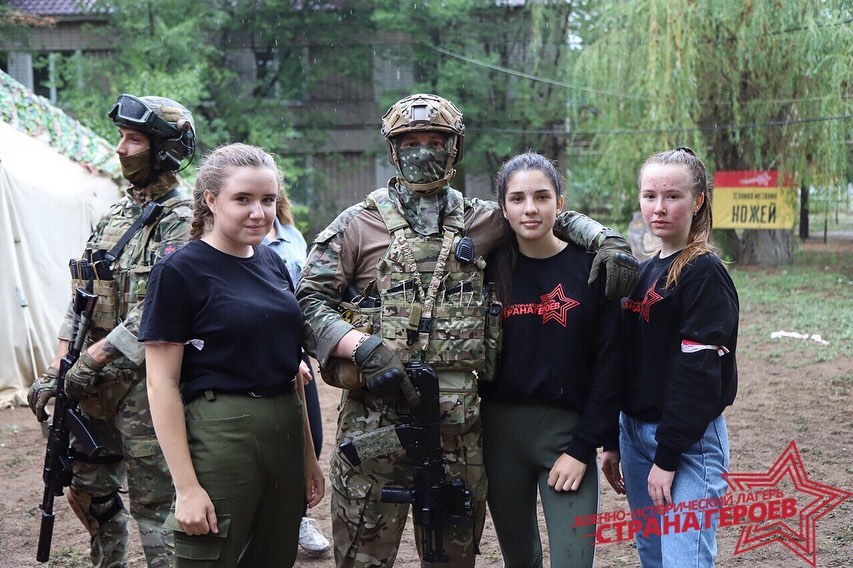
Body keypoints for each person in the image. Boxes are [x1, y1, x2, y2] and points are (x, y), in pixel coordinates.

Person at [296, 93, 638, 568]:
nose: (423, 151)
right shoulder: (358, 224)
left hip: (456, 432)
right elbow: (308, 300)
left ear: (454, 148)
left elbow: (542, 214)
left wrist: (606, 240)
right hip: (376, 423)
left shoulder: (484, 218)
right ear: (393, 150)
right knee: (363, 558)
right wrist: (361, 345)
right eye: (410, 142)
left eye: (436, 141)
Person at [27, 93, 196, 567]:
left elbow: (157, 310)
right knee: (88, 491)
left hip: (146, 389)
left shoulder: (184, 222)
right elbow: (81, 297)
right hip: (90, 388)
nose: (120, 149)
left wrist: (91, 360)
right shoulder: (115, 216)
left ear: (165, 149)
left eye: (134, 139)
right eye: (121, 137)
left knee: (155, 505)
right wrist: (60, 367)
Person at [139, 143, 325, 567]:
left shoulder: (273, 263)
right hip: (222, 435)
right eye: (243, 199)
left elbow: (290, 364)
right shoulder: (179, 271)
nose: (259, 213)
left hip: (285, 430)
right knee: (210, 556)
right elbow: (161, 383)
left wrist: (308, 459)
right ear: (211, 199)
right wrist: (187, 487)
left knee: (274, 557)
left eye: (268, 200)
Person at [479, 152, 624, 568]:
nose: (530, 208)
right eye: (518, 198)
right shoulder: (485, 272)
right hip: (499, 437)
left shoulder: (594, 270)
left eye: (542, 197)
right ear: (502, 207)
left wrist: (583, 448)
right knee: (520, 559)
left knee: (573, 560)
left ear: (560, 203)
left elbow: (610, 369)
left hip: (568, 436)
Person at [601, 147, 738, 568]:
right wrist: (612, 440)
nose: (658, 208)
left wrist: (667, 456)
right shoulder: (642, 272)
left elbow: (697, 374)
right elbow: (625, 362)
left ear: (698, 202)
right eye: (650, 195)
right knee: (654, 557)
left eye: (672, 196)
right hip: (634, 436)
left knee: (684, 560)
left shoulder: (704, 273)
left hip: (687, 443)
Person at [262, 186, 332, 557]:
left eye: (267, 197)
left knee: (311, 437)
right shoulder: (241, 242)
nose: (259, 207)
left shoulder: (292, 236)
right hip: (264, 348)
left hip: (296, 349)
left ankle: (299, 515)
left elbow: (304, 297)